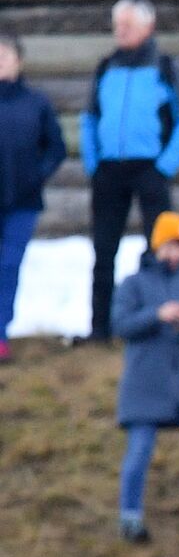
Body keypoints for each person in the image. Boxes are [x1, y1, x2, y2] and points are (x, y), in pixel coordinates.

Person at [79, 0, 179, 345]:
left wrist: (163, 168)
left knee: (159, 250)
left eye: (128, 25)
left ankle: (157, 323)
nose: (121, 31)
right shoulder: (105, 69)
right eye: (117, 25)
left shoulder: (167, 69)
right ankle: (99, 329)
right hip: (109, 172)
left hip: (150, 170)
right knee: (103, 251)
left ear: (148, 27)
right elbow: (89, 119)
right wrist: (94, 163)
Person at [112, 212, 179, 543]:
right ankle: (130, 517)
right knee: (140, 449)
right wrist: (156, 315)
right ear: (157, 245)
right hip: (144, 383)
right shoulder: (133, 284)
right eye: (170, 246)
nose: (175, 254)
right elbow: (119, 325)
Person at [0, 32, 66, 363]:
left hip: (22, 203)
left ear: (18, 61)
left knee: (8, 266)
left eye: (4, 55)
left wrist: (35, 176)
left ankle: (0, 334)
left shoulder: (35, 103)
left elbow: (56, 148)